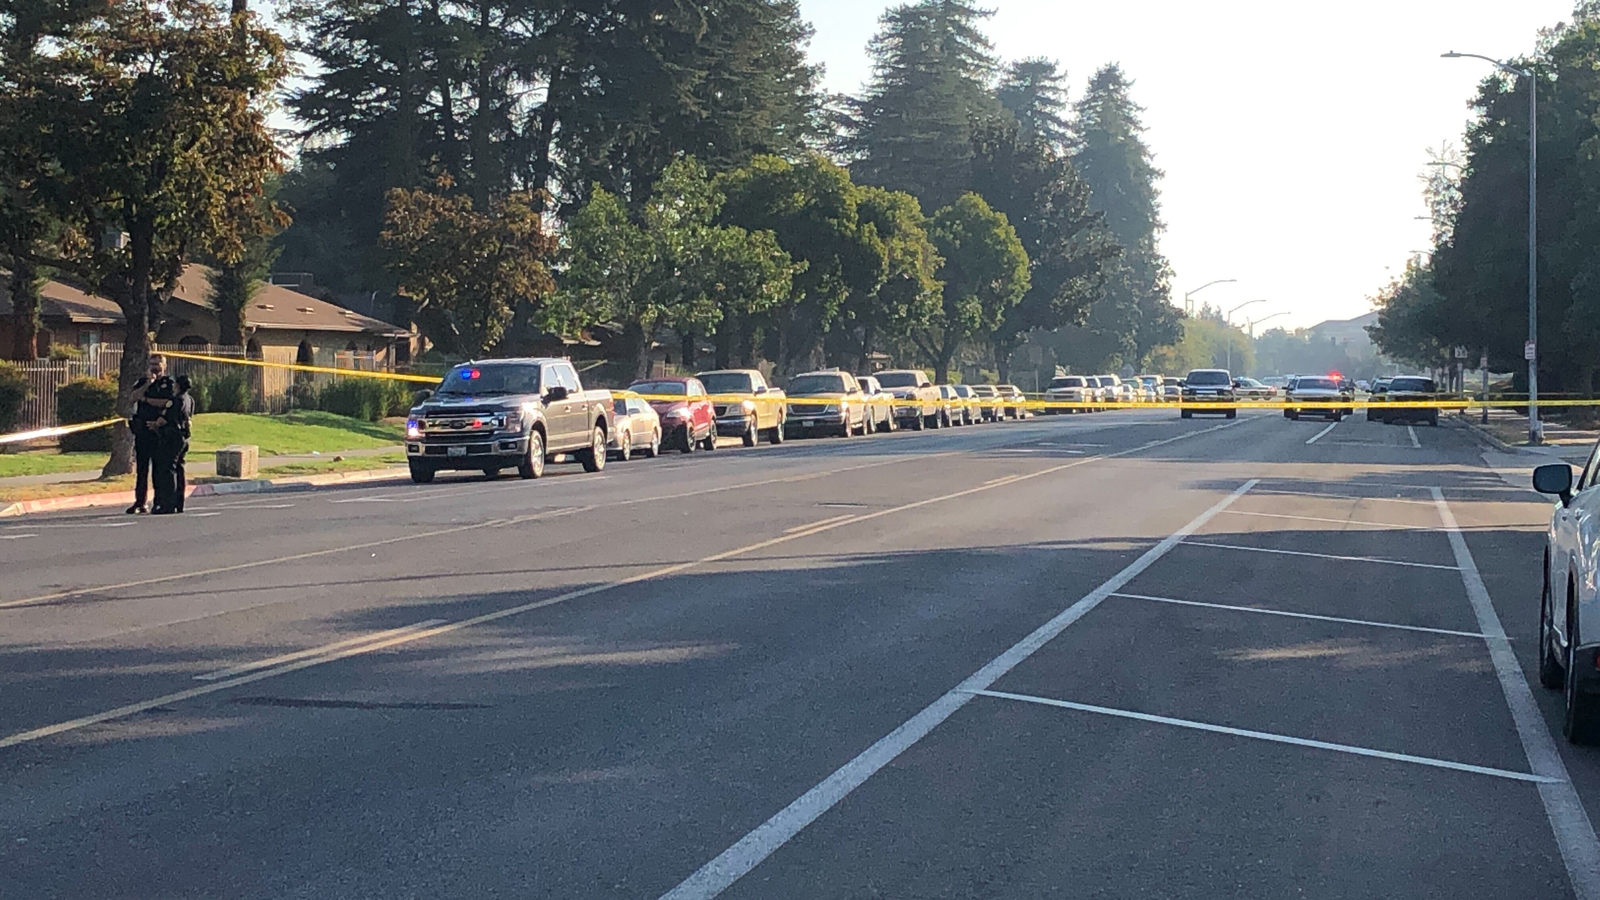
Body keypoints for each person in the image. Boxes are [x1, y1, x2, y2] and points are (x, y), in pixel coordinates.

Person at [126, 354, 176, 515]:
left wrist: (146, 400)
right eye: (152, 363)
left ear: (164, 365)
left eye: (158, 364)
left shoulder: (169, 383)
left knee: (158, 469)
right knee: (141, 469)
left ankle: (158, 501)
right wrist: (148, 384)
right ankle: (140, 501)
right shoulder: (143, 382)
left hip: (160, 431)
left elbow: (169, 402)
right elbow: (132, 398)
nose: (154, 366)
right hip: (142, 431)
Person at [151, 374, 194, 515]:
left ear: (178, 386)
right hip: (183, 437)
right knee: (179, 469)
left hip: (172, 437)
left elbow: (165, 419)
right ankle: (179, 503)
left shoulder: (175, 401)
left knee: (168, 470)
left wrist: (155, 424)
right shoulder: (189, 400)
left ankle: (168, 504)